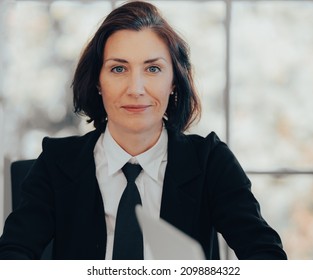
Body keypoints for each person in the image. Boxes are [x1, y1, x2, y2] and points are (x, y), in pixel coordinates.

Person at [0, 0, 287, 260]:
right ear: (97, 81)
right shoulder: (57, 162)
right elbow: (13, 256)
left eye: (152, 69)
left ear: (174, 81)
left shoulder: (210, 161)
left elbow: (265, 257)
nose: (136, 89)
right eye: (118, 69)